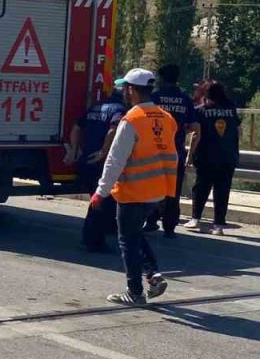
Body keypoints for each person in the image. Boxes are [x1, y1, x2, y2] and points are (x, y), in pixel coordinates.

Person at [92, 68, 178, 305]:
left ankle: (135, 292)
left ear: (131, 90)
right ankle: (153, 275)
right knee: (134, 233)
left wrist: (101, 191)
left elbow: (115, 159)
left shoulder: (131, 120)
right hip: (158, 190)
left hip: (133, 191)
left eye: (124, 88)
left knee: (127, 240)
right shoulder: (166, 118)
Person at [65, 87, 126, 251]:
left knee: (100, 198)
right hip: (101, 162)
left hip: (87, 159)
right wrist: (104, 151)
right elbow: (113, 130)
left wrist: (74, 150)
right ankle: (92, 241)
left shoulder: (94, 107)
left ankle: (102, 232)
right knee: (100, 202)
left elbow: (77, 128)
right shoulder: (120, 110)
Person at [147, 63, 199, 236]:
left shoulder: (155, 97)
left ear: (161, 79)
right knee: (173, 190)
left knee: (153, 187)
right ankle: (169, 227)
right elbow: (194, 127)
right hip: (175, 152)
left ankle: (151, 220)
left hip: (153, 152)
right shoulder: (185, 99)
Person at [185, 80, 242, 235]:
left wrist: (190, 156)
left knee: (201, 188)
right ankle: (218, 225)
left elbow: (196, 134)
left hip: (206, 156)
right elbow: (238, 131)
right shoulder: (230, 108)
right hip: (228, 156)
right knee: (222, 190)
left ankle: (195, 218)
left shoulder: (201, 110)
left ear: (205, 93)